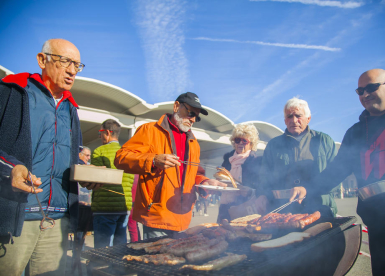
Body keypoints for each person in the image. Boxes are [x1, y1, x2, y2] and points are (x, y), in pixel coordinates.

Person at [290, 69, 385, 275]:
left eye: (371, 87)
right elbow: (336, 171)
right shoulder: (355, 132)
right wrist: (307, 188)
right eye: (360, 91)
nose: (365, 94)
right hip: (378, 224)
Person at [0, 39, 100, 276]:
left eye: (77, 65)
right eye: (65, 61)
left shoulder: (71, 109)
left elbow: (68, 159)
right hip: (17, 213)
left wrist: (85, 174)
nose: (72, 71)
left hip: (57, 217)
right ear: (42, 60)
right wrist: (10, 169)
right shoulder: (12, 93)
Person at [114, 92, 226, 239]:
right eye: (190, 113)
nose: (192, 119)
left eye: (196, 117)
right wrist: (153, 160)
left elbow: (196, 174)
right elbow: (121, 158)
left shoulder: (194, 143)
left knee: (176, 260)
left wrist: (206, 182)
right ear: (176, 106)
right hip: (157, 216)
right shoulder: (150, 130)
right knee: (157, 260)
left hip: (183, 218)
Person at [258, 97, 338, 217]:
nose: (294, 120)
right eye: (289, 116)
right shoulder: (273, 145)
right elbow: (264, 176)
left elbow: (336, 176)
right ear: (285, 120)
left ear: (308, 119)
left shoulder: (324, 141)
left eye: (298, 116)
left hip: (320, 208)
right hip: (284, 211)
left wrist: (308, 189)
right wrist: (261, 194)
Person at [91, 119, 134, 248]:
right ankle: (118, 268)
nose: (100, 136)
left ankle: (100, 268)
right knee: (120, 247)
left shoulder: (99, 151)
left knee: (103, 249)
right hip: (124, 206)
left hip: (105, 207)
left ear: (108, 133)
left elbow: (94, 178)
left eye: (101, 132)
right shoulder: (128, 154)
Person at [217, 123, 263, 221]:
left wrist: (251, 191)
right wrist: (217, 184)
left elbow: (263, 188)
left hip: (244, 209)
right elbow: (221, 181)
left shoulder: (257, 162)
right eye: (237, 140)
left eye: (244, 140)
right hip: (224, 209)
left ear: (251, 144)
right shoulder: (227, 160)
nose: (240, 143)